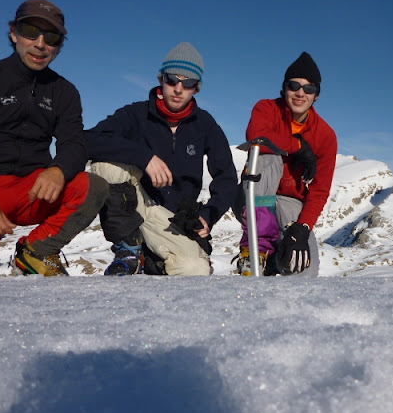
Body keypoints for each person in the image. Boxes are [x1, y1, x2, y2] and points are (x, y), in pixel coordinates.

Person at [0, 0, 109, 277]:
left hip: (32, 189)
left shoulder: (64, 92)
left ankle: (35, 252)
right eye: (30, 31)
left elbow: (74, 144)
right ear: (14, 33)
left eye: (51, 37)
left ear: (58, 46)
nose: (40, 44)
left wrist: (58, 169)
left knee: (92, 186)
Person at [86, 42, 237, 276]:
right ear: (160, 80)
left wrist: (209, 215)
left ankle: (153, 257)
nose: (178, 88)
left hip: (174, 218)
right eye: (172, 80)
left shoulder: (205, 125)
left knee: (194, 269)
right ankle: (128, 251)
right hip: (136, 202)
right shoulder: (135, 114)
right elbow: (89, 140)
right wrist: (144, 157)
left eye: (188, 83)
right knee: (105, 166)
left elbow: (226, 177)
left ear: (196, 88)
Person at [234, 52, 337, 277]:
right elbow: (256, 137)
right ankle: (256, 250)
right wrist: (298, 147)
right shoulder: (267, 109)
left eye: (309, 88)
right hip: (254, 194)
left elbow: (319, 190)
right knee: (265, 154)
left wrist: (302, 228)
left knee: (305, 269)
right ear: (284, 88)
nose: (301, 93)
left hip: (290, 202)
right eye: (294, 86)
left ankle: (273, 262)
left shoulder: (325, 135)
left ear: (316, 95)